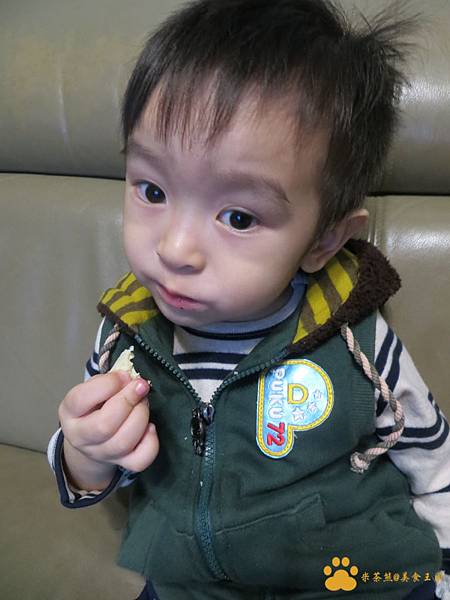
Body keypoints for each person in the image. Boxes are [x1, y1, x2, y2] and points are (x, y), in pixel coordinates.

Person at [48, 0, 450, 598]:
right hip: (188, 584)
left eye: (238, 217)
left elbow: (431, 455)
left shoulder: (356, 339)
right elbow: (98, 468)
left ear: (324, 240)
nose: (175, 249)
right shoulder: (125, 336)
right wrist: (86, 455)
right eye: (152, 190)